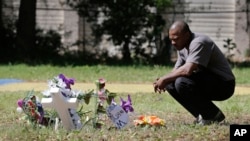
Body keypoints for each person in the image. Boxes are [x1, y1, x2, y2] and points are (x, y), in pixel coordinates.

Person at [153, 20, 235, 125]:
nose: (173, 43)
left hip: (224, 85)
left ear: (186, 35)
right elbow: (177, 69)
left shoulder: (199, 42)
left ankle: (213, 115)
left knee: (181, 82)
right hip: (208, 81)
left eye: (176, 39)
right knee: (171, 84)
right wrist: (164, 80)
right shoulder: (182, 46)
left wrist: (164, 79)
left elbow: (187, 70)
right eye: (171, 40)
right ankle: (202, 116)